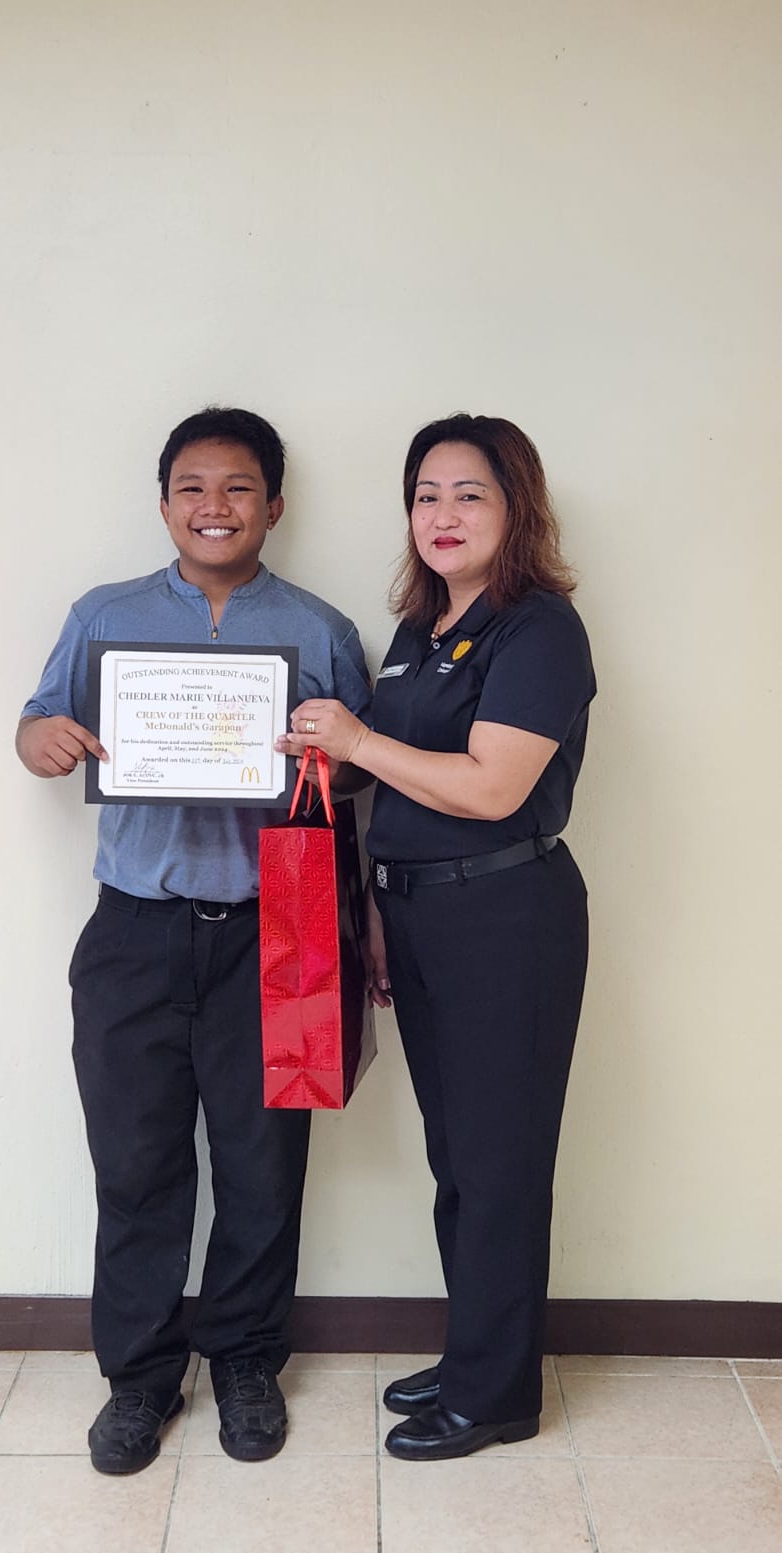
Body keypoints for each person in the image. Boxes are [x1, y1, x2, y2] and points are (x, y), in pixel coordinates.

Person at [16, 407, 371, 1473]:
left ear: (275, 504)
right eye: (193, 487)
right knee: (136, 1164)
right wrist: (44, 738)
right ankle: (139, 1379)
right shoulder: (104, 613)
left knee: (264, 1166)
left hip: (283, 927)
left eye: (239, 487)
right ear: (164, 501)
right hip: (132, 930)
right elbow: (38, 719)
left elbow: (360, 772)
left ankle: (249, 1362)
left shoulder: (317, 628)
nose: (215, 506)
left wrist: (322, 755)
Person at [279, 413, 595, 1461]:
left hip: (507, 919)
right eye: (426, 494)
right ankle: (476, 1353)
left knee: (501, 1161)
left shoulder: (537, 629)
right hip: (416, 913)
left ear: (517, 509)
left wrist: (358, 736)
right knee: (459, 1157)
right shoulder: (420, 633)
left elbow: (494, 784)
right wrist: (374, 906)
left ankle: (497, 1393)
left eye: (470, 494)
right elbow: (381, 781)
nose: (443, 515)